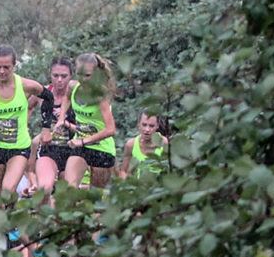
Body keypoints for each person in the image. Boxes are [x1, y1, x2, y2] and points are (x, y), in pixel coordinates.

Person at [0, 45, 54, 215]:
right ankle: (4, 236)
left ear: (14, 66)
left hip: (18, 147)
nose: (2, 71)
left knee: (7, 193)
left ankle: (14, 208)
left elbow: (49, 97)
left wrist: (46, 128)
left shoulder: (26, 86)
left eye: (6, 67)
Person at [59, 52, 117, 189]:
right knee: (68, 190)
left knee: (95, 200)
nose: (83, 79)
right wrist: (61, 118)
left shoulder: (101, 95)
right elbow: (66, 98)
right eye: (79, 74)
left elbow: (111, 129)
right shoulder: (73, 86)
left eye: (87, 75)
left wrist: (83, 141)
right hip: (80, 147)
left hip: (101, 148)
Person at [30, 57, 75, 199]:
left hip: (74, 149)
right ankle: (44, 220)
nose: (59, 80)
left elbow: (89, 126)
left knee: (68, 196)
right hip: (50, 148)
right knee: (44, 190)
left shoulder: (78, 95)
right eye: (56, 76)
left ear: (71, 76)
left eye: (64, 76)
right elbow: (26, 108)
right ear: (50, 75)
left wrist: (66, 122)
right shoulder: (43, 93)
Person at [118, 111, 169, 179]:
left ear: (157, 126)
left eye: (151, 126)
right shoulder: (131, 145)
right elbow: (123, 171)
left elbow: (169, 169)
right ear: (138, 124)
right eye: (144, 125)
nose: (147, 129)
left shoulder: (163, 143)